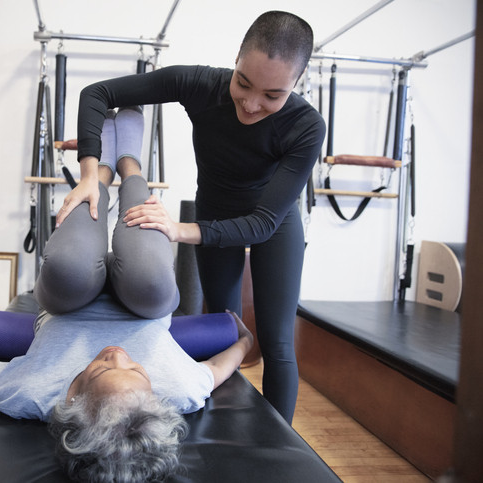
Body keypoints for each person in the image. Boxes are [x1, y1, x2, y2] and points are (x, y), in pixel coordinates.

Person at [0, 107, 254, 483]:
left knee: (68, 267)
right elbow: (215, 370)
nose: (117, 355)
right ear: (154, 397)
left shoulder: (35, 392)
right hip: (142, 302)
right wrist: (245, 342)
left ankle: (100, 173)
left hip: (70, 300)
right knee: (151, 278)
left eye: (99, 369)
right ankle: (130, 164)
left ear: (73, 401)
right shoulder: (177, 389)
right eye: (136, 369)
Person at [55, 11, 325, 424]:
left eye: (272, 95)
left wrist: (179, 230)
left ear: (298, 82)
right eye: (243, 83)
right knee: (224, 330)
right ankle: (219, 431)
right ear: (235, 60)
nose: (251, 104)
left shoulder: (306, 126)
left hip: (273, 223)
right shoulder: (200, 85)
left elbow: (262, 224)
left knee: (277, 345)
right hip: (214, 209)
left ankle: (281, 454)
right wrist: (90, 174)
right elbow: (97, 93)